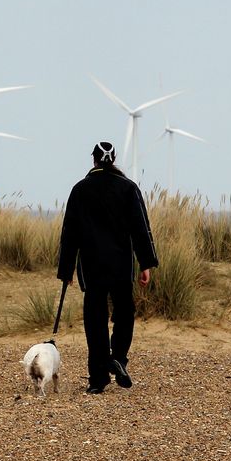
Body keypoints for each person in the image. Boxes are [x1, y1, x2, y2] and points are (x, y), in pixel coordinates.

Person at [57, 141, 158, 394]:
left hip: (92, 267)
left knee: (95, 320)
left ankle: (97, 379)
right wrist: (146, 263)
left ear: (93, 160)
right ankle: (119, 357)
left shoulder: (80, 190)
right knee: (124, 313)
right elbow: (140, 228)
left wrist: (66, 270)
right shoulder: (128, 188)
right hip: (121, 266)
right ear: (113, 159)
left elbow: (69, 233)